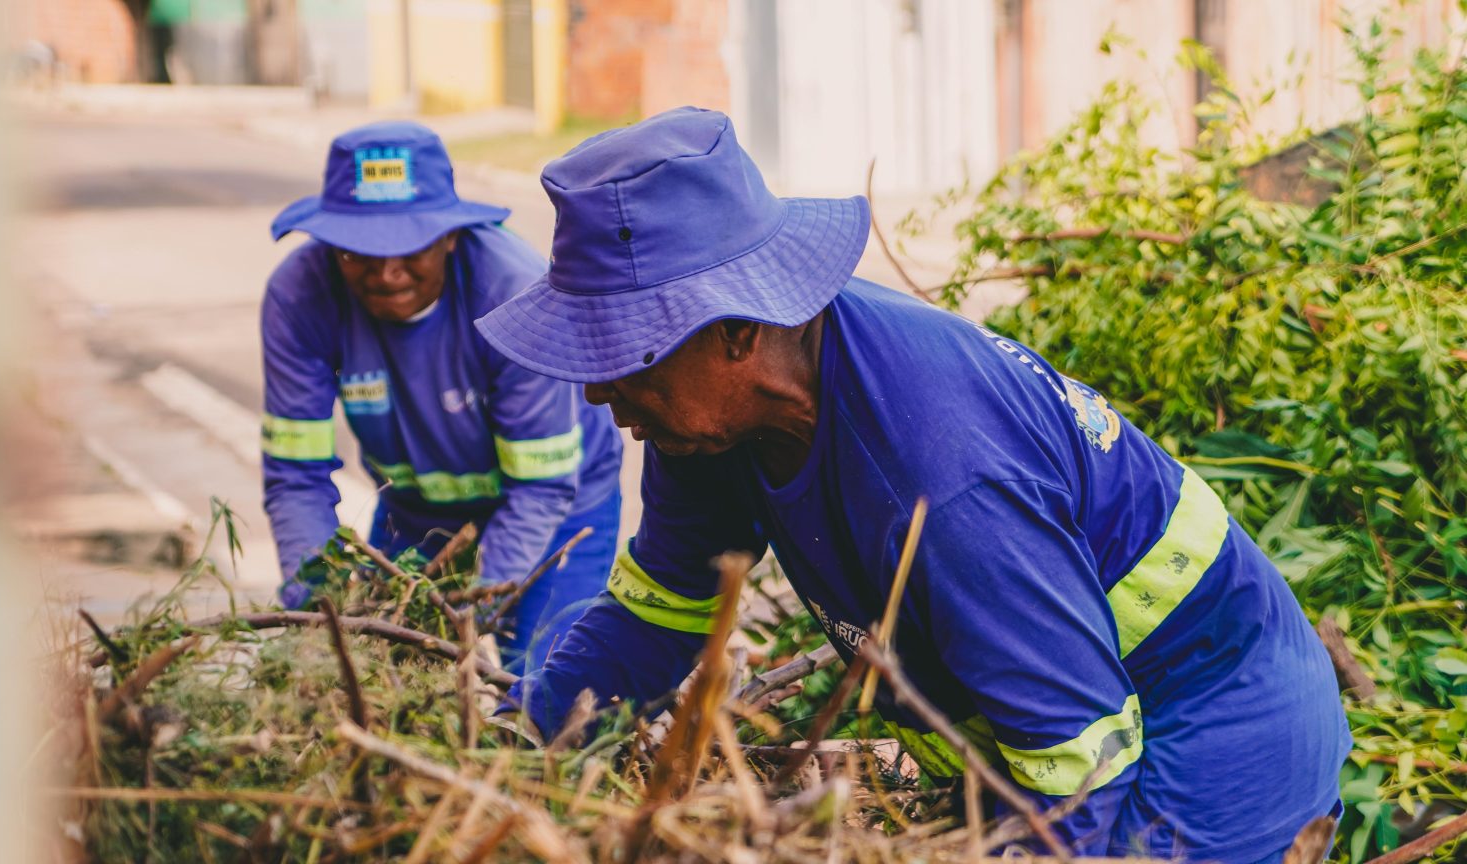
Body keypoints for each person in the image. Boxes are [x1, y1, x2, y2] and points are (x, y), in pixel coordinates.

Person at [474, 108, 1349, 861]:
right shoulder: (710, 419)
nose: (596, 388)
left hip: (1216, 715)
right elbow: (657, 610)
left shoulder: (942, 474)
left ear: (735, 330)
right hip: (1052, 714)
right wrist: (515, 751)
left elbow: (1078, 771)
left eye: (619, 353)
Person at [261, 121, 623, 673]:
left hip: (559, 505)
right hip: (416, 512)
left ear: (450, 236)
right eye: (358, 252)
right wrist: (320, 608)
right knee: (381, 670)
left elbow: (540, 487)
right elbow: (295, 476)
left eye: (409, 248)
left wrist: (466, 619)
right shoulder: (299, 295)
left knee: (539, 683)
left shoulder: (511, 293)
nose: (386, 274)